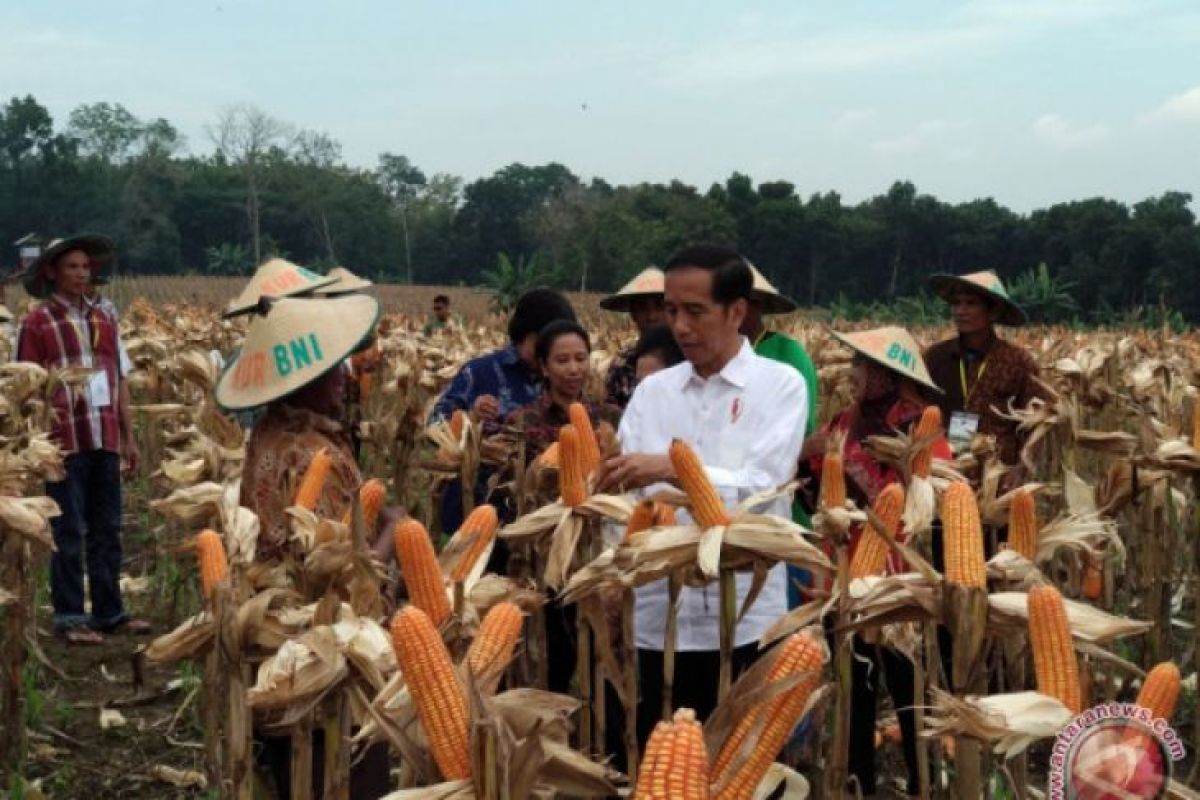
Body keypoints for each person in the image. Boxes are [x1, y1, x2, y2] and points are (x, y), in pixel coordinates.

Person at [596, 244, 808, 745]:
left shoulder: (781, 386)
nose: (681, 327)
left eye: (695, 311)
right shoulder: (654, 392)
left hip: (743, 620)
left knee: (738, 766)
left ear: (737, 311)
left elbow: (765, 487)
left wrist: (676, 468)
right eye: (672, 311)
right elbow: (625, 496)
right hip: (655, 615)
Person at [213, 293, 393, 798]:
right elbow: (342, 572)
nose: (344, 378)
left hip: (277, 640)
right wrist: (393, 531)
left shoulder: (266, 435)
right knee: (346, 767)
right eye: (333, 370)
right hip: (328, 645)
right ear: (304, 382)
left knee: (292, 766)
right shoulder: (316, 454)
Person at [801, 326, 950, 799]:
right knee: (855, 686)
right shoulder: (844, 423)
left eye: (862, 366)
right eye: (854, 364)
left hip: (897, 579)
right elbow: (811, 481)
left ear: (887, 375)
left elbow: (932, 498)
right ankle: (858, 782)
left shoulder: (920, 430)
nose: (853, 374)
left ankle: (922, 779)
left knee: (908, 687)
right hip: (845, 573)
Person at [15, 234, 149, 644]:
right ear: (52, 272)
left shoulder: (105, 317)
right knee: (68, 530)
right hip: (62, 441)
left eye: (86, 267)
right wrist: (34, 444)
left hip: (103, 436)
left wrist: (129, 437)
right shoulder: (37, 322)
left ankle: (111, 612)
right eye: (72, 267)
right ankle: (71, 617)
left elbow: (119, 379)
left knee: (107, 528)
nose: (80, 273)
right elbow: (24, 385)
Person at [504, 320, 621, 695]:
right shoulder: (523, 423)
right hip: (548, 552)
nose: (573, 368)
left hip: (599, 551)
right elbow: (514, 492)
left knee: (602, 647)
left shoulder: (611, 419)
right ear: (543, 366)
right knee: (555, 646)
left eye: (581, 358)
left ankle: (597, 725)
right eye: (562, 360)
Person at [431, 288, 577, 534]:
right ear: (528, 336)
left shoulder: (561, 377)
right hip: (477, 515)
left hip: (543, 519)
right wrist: (471, 417)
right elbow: (435, 425)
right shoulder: (480, 372)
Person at [739, 263, 821, 609]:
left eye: (745, 303)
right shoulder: (708, 355)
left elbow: (799, 432)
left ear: (756, 306)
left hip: (778, 494)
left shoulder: (788, 354)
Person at [923, 270, 1041, 488]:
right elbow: (917, 407)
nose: (961, 311)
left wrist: (1021, 468)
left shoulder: (1018, 361)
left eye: (970, 303)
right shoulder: (935, 357)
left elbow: (1037, 422)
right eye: (956, 303)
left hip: (997, 475)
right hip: (944, 471)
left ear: (993, 311)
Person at [598, 267, 666, 408]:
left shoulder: (693, 359)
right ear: (633, 314)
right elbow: (611, 413)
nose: (651, 316)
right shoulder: (621, 364)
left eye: (660, 306)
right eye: (642, 308)